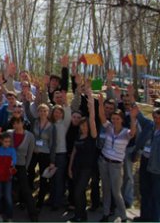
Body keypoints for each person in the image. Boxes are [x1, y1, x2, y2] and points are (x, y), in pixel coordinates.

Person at [97, 93, 138, 222]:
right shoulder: (109, 127)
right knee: (105, 189)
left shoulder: (126, 132)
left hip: (116, 165)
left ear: (122, 119)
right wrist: (100, 103)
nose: (115, 121)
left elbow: (133, 132)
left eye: (117, 119)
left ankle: (123, 216)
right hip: (104, 161)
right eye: (113, 118)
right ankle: (105, 214)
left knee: (116, 192)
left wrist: (133, 117)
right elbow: (102, 116)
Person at [68, 89, 97, 222]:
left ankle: (80, 215)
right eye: (82, 125)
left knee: (79, 191)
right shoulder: (79, 136)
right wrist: (70, 167)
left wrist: (91, 102)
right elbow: (74, 152)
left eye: (85, 125)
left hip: (86, 168)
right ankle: (80, 215)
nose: (83, 127)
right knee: (77, 192)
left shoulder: (92, 136)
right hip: (76, 167)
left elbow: (92, 119)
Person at [0, 131, 17, 222]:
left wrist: (5, 162)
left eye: (9, 141)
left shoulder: (12, 150)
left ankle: (9, 216)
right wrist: (7, 162)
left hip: (8, 177)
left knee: (8, 197)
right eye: (6, 141)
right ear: (1, 141)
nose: (8, 143)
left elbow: (14, 162)